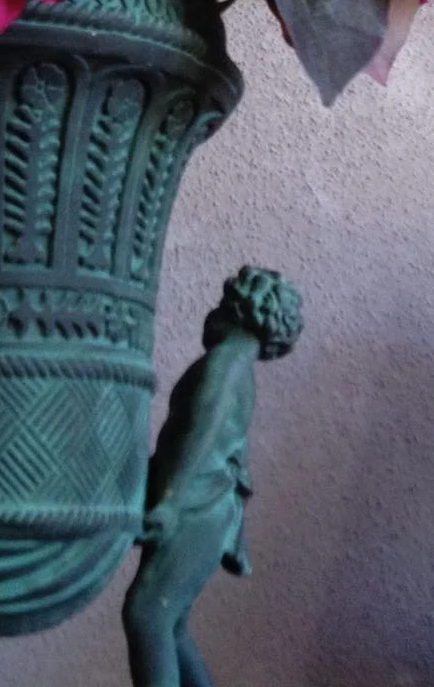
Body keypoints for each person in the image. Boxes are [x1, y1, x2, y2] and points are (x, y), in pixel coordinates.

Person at [122, 266, 303, 687]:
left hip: (196, 504)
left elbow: (201, 434)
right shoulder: (239, 365)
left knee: (147, 615)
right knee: (172, 623)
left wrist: (169, 500)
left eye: (221, 304)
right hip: (209, 505)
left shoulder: (226, 362)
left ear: (237, 310)